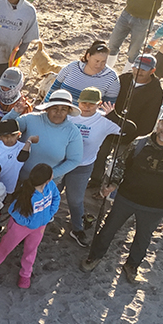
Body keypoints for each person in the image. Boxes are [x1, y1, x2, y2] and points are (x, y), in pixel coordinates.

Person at [81, 108, 163, 283]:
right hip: (127, 198)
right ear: (158, 123)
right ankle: (95, 256)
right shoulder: (139, 144)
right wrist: (112, 184)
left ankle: (132, 265)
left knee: (143, 238)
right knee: (108, 229)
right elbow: (121, 165)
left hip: (156, 206)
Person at [64, 88, 135, 246]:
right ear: (78, 102)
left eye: (91, 104)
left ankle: (77, 228)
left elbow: (131, 131)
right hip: (61, 162)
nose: (87, 107)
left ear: (99, 104)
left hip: (83, 166)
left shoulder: (104, 120)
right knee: (51, 192)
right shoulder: (70, 116)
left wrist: (115, 116)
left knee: (75, 200)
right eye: (84, 103)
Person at [0, 163, 60, 287]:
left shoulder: (51, 186)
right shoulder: (27, 193)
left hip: (39, 227)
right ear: (46, 179)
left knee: (31, 250)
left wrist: (50, 214)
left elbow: (56, 197)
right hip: (19, 227)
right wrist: (28, 223)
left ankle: (25, 274)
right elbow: (13, 211)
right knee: (5, 247)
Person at [11, 90, 84, 182]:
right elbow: (4, 129)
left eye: (63, 109)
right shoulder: (30, 119)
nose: (58, 112)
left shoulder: (73, 132)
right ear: (47, 108)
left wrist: (50, 175)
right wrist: (14, 113)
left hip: (46, 183)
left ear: (68, 111)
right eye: (55, 108)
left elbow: (74, 160)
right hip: (16, 176)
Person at [47, 41, 120, 104]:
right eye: (96, 61)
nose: (99, 65)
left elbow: (109, 105)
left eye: (103, 61)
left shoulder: (112, 78)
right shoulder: (72, 67)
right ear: (88, 56)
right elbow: (54, 89)